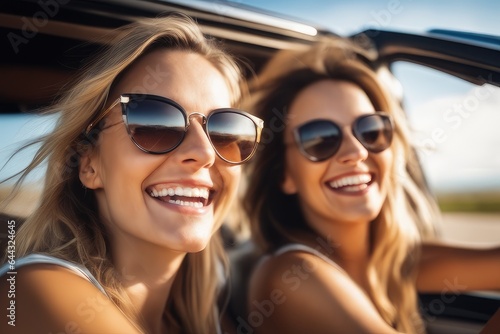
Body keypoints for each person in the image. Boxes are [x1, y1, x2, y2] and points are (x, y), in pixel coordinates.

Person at [0, 14, 263, 334]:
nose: (206, 153)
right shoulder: (36, 290)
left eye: (224, 131)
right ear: (89, 164)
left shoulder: (210, 317)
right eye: (155, 124)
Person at [240, 39, 500, 333]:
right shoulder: (291, 276)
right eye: (320, 139)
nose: (356, 152)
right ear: (284, 175)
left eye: (370, 130)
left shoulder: (388, 259)